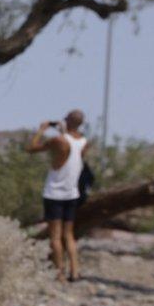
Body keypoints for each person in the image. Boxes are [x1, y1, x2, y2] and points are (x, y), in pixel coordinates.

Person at [25, 109, 89, 281]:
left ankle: (59, 272)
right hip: (71, 193)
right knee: (69, 234)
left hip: (54, 193)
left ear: (67, 121)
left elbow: (30, 148)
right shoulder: (84, 142)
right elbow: (71, 153)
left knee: (55, 236)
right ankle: (75, 271)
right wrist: (63, 131)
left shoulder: (57, 140)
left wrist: (41, 130)